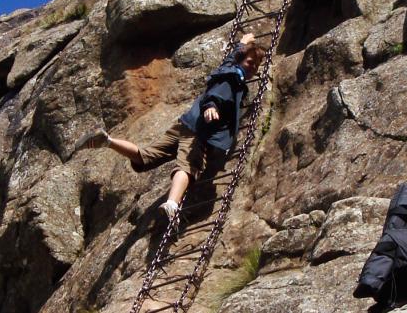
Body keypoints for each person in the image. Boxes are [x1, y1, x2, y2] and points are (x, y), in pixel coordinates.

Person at [72, 33, 265, 221]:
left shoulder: (228, 69)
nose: (253, 68)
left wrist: (241, 43)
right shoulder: (234, 79)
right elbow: (217, 94)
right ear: (241, 62)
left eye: (256, 66)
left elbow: (229, 61)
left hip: (186, 123)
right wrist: (211, 107)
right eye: (250, 63)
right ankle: (172, 203)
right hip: (201, 128)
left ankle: (107, 140)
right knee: (189, 165)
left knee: (146, 157)